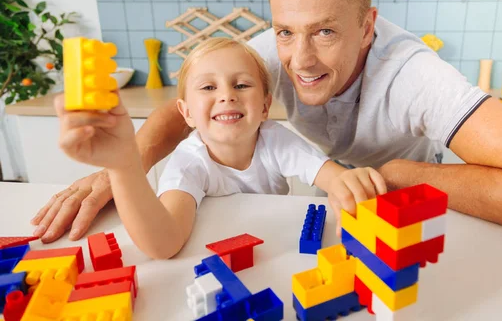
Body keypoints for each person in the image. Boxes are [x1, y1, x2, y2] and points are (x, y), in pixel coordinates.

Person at [33, 0, 502, 244]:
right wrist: (115, 173)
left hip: (409, 219)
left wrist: (397, 174)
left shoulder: (414, 75)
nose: (299, 61)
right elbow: (181, 110)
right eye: (285, 31)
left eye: (325, 31)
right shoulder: (272, 51)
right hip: (331, 204)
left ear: (367, 26)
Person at [55, 38, 386, 259]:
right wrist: (124, 166)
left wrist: (350, 185)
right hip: (216, 258)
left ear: (265, 106)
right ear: (186, 113)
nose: (227, 95)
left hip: (273, 252)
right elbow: (164, 243)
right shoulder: (189, 162)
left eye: (241, 85)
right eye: (208, 87)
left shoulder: (276, 139)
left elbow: (334, 178)